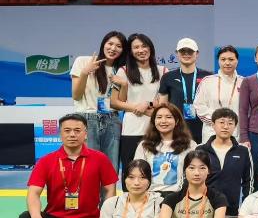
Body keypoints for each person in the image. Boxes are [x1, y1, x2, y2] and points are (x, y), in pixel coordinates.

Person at [17, 114, 119, 218]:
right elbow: (33, 193)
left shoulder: (100, 158)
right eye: (67, 130)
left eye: (77, 130)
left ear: (85, 133)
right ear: (60, 134)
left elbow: (110, 189)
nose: (72, 134)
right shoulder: (46, 161)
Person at [196, 107, 252, 218]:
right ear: (213, 125)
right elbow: (191, 179)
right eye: (221, 122)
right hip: (205, 209)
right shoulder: (201, 150)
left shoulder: (243, 151)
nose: (225, 126)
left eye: (230, 123)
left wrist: (245, 208)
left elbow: (249, 181)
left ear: (235, 127)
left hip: (231, 211)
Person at [111, 33, 168, 175]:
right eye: (136, 47)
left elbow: (163, 103)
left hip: (156, 128)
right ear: (130, 51)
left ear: (150, 48)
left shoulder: (163, 71)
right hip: (131, 129)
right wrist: (139, 107)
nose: (141, 50)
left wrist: (147, 103)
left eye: (144, 46)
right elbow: (115, 102)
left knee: (155, 172)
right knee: (130, 170)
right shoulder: (123, 71)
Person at [70, 31, 128, 168]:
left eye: (118, 46)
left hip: (112, 119)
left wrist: (124, 84)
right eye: (110, 44)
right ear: (103, 44)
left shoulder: (121, 70)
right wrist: (85, 72)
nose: (113, 48)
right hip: (87, 119)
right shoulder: (83, 61)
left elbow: (120, 102)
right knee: (87, 167)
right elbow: (76, 95)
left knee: (110, 167)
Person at [133, 103, 198, 193]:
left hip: (179, 195)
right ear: (154, 121)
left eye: (168, 117)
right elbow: (137, 172)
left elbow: (195, 172)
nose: (163, 121)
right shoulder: (144, 145)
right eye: (159, 117)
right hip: (151, 196)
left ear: (177, 121)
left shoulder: (190, 145)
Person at [158, 38, 212, 143]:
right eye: (183, 51)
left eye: (190, 51)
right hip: (176, 130)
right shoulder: (168, 77)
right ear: (177, 53)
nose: (186, 54)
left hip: (204, 129)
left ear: (197, 54)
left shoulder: (208, 77)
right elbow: (162, 106)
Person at [194, 46, 242, 142]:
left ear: (237, 61)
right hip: (211, 133)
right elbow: (198, 106)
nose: (227, 63)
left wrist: (231, 123)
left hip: (235, 133)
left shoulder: (243, 82)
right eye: (223, 59)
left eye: (231, 59)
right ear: (218, 61)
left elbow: (248, 111)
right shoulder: (207, 81)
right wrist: (217, 121)